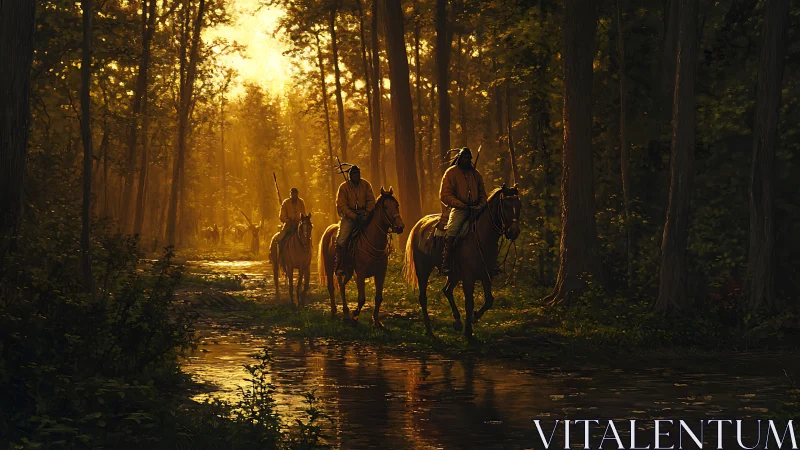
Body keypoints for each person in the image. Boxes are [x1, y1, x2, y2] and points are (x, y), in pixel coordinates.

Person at [439, 147, 487, 274]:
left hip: (476, 209)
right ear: (459, 158)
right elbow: (445, 195)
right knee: (452, 230)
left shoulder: (476, 174)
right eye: (465, 158)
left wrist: (480, 205)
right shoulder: (451, 173)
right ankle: (446, 261)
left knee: (489, 228)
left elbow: (483, 194)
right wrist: (462, 205)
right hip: (459, 209)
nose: (467, 160)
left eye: (469, 158)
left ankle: (490, 261)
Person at [334, 165, 376, 276]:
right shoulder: (344, 187)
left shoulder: (366, 185)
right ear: (350, 175)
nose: (356, 175)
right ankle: (340, 264)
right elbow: (342, 205)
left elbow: (371, 200)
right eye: (354, 174)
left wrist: (367, 213)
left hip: (365, 214)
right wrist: (353, 215)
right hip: (350, 217)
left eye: (357, 173)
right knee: (341, 239)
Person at [277, 187, 306, 258]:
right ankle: (279, 255)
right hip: (288, 225)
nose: (293, 195)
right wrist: (288, 220)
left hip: (299, 225)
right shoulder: (286, 202)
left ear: (297, 194)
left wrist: (301, 220)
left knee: (306, 236)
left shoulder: (301, 202)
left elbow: (304, 214)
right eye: (292, 194)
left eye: (294, 194)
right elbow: (281, 216)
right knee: (279, 238)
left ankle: (307, 253)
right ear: (290, 194)